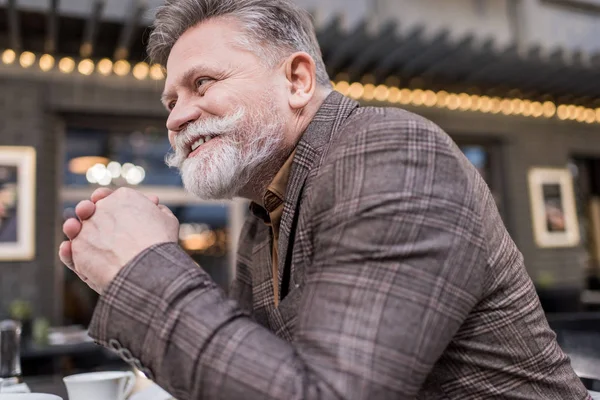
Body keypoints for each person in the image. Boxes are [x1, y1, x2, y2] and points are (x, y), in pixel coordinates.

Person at [58, 0, 591, 398]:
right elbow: (254, 375)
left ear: (296, 80)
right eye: (171, 101)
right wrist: (129, 269)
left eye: (203, 83)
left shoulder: (392, 153)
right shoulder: (263, 210)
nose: (175, 117)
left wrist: (144, 268)